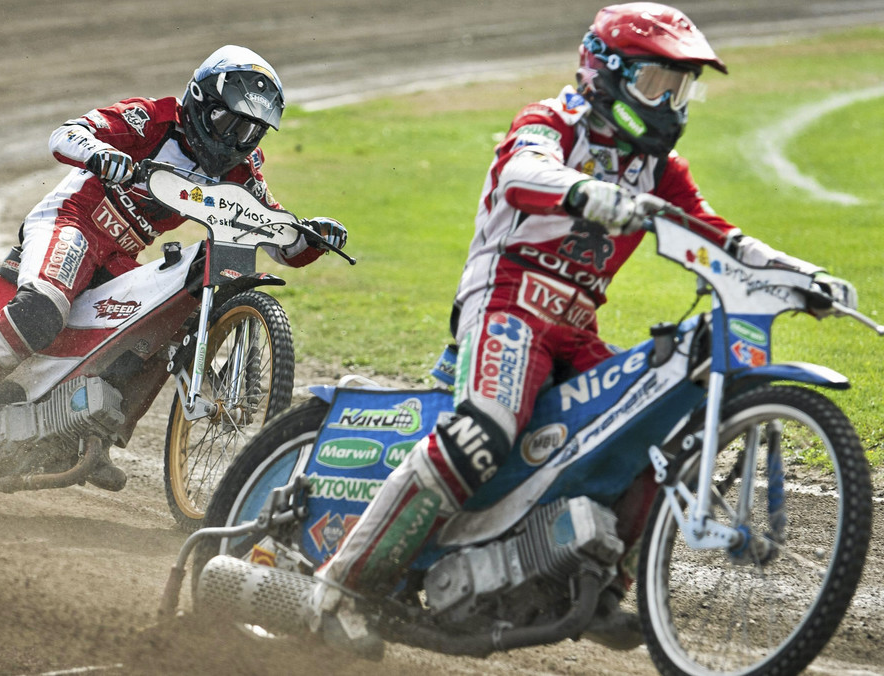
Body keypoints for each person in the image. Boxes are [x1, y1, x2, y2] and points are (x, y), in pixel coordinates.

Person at [305, 2, 858, 656]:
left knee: (654, 422)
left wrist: (799, 274)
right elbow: (521, 172)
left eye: (682, 88)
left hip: (573, 326)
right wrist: (581, 191)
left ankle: (601, 584)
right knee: (484, 428)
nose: (672, 102)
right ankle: (341, 586)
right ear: (607, 72)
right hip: (507, 303)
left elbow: (721, 235)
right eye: (658, 84)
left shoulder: (660, 170)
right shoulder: (552, 120)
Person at [0, 45, 347, 489]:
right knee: (41, 311)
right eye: (229, 121)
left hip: (120, 255)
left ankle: (95, 438)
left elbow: (272, 234)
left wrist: (313, 237)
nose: (235, 140)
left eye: (251, 132)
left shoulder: (242, 170)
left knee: (168, 327)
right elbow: (66, 134)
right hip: (73, 222)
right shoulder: (149, 118)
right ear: (199, 102)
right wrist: (97, 153)